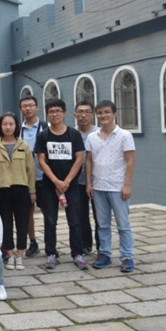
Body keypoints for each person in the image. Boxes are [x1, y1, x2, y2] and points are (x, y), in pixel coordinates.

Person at [35, 99, 88, 270]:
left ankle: (77, 253)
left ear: (64, 113)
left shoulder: (74, 134)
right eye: (51, 111)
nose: (54, 114)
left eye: (58, 111)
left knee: (75, 220)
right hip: (49, 185)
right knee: (50, 220)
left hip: (71, 186)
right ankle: (51, 253)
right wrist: (56, 181)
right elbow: (41, 161)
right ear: (47, 114)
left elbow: (79, 158)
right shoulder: (43, 136)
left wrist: (66, 181)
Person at [86, 100, 136, 273]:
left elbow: (130, 161)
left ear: (115, 113)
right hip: (98, 187)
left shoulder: (124, 135)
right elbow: (89, 161)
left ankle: (127, 256)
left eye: (107, 112)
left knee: (123, 225)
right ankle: (104, 254)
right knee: (103, 225)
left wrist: (127, 185)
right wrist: (89, 183)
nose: (103, 115)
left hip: (117, 187)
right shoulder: (92, 137)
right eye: (100, 113)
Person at [0, 113, 36, 270]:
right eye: (5, 124)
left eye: (11, 124)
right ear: (0, 126)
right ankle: (10, 255)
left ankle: (20, 255)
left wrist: (32, 191)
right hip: (2, 190)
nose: (8, 127)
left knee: (22, 223)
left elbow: (31, 170)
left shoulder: (24, 146)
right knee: (5, 224)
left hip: (21, 189)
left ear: (16, 126)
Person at [18, 95, 49, 258]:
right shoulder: (18, 130)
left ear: (37, 107)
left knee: (47, 211)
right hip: (24, 178)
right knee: (27, 213)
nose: (28, 108)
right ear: (20, 109)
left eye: (31, 105)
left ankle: (50, 242)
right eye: (25, 106)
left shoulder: (46, 127)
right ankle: (33, 242)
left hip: (44, 176)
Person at [74, 100, 99, 255]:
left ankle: (102, 247)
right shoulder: (71, 133)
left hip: (97, 181)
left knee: (99, 217)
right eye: (80, 112)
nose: (83, 115)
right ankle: (86, 245)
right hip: (77, 182)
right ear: (75, 114)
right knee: (81, 216)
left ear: (92, 114)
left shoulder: (99, 133)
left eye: (87, 112)